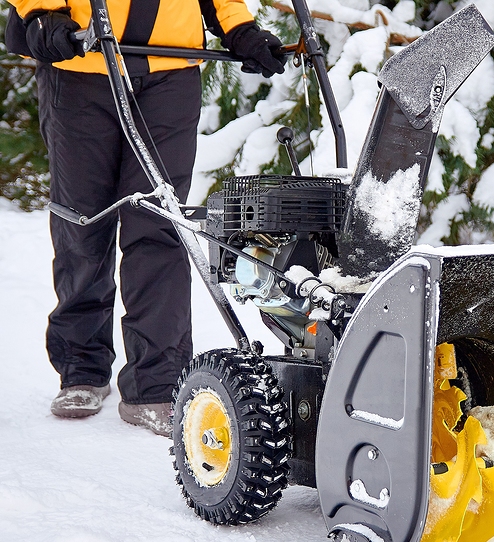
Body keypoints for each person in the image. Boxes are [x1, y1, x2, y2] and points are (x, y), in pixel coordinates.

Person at [6, 0, 287, 435]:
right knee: (83, 222)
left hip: (169, 73)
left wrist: (239, 27)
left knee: (159, 225)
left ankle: (154, 383)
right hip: (79, 66)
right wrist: (42, 11)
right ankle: (81, 368)